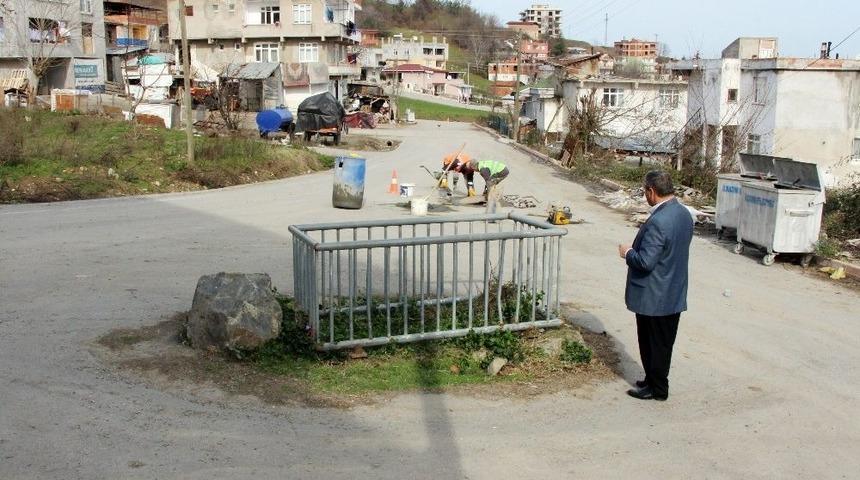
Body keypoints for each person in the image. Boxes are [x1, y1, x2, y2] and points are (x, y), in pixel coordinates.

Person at [617, 171, 693, 401]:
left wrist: (628, 252)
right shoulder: (683, 213)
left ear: (651, 191)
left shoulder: (659, 221)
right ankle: (652, 378)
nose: (645, 196)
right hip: (673, 290)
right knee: (662, 342)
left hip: (654, 294)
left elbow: (645, 262)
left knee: (653, 343)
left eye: (645, 191)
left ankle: (657, 388)